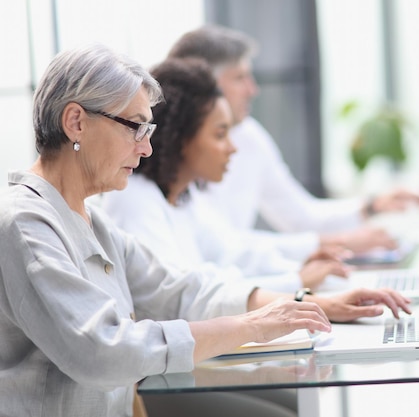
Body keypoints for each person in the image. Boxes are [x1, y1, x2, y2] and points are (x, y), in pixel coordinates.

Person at [0, 44, 412, 417]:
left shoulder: (92, 222)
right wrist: (252, 325)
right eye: (134, 127)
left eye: (149, 132)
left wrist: (308, 302)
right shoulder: (25, 225)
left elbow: (182, 289)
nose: (145, 148)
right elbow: (102, 350)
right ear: (76, 122)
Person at [167, 25, 419, 262]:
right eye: (240, 78)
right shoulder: (168, 158)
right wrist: (330, 243)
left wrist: (371, 206)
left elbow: (298, 215)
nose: (253, 89)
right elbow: (223, 247)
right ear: (201, 83)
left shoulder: (249, 136)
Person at [102, 57, 349, 292]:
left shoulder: (183, 195)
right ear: (181, 139)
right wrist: (295, 281)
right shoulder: (135, 198)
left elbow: (232, 252)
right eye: (220, 135)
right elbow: (185, 293)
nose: (232, 148)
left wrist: (298, 266)